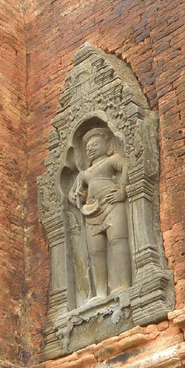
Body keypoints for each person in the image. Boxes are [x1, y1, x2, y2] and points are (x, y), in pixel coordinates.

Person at [71, 127, 131, 299]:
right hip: (91, 211)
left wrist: (122, 190)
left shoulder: (111, 160)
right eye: (88, 147)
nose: (91, 149)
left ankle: (125, 284)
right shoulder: (84, 174)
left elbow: (126, 165)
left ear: (108, 146)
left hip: (112, 203)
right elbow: (71, 194)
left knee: (117, 241)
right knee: (96, 252)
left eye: (95, 145)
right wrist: (77, 198)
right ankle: (101, 291)